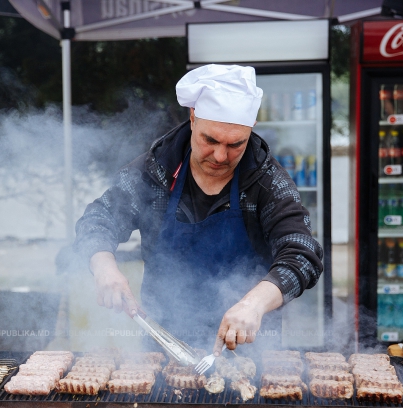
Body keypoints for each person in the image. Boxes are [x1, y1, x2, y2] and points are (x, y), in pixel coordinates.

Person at [74, 64, 323, 356]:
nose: (220, 155)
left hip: (247, 347)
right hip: (164, 344)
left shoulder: (267, 182)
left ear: (250, 130)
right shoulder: (156, 171)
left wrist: (254, 304)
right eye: (211, 140)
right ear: (193, 118)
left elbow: (303, 252)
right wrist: (104, 266)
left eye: (235, 144)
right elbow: (99, 218)